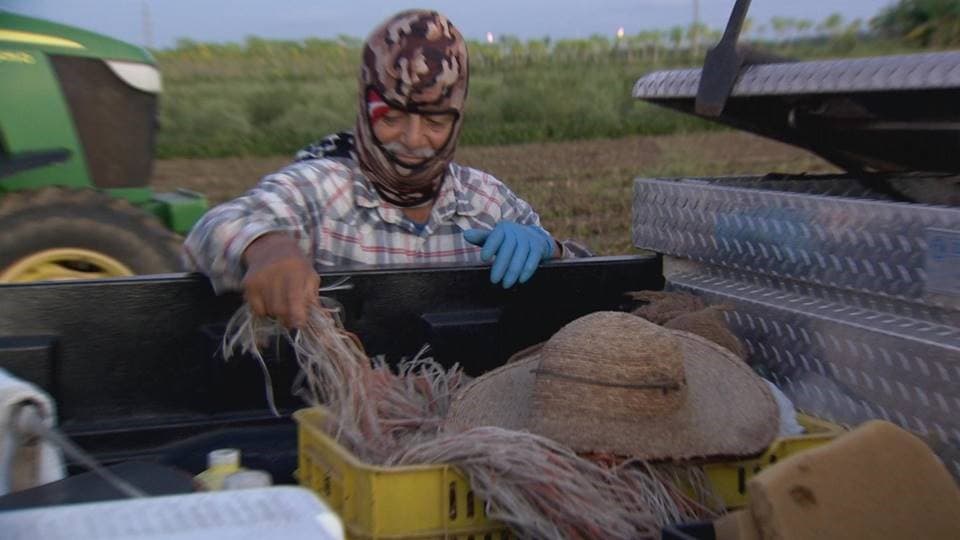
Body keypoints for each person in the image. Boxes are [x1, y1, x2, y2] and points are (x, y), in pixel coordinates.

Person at [183, 9, 588, 329]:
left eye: (434, 122)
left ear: (457, 120)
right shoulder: (319, 189)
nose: (412, 140)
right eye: (391, 117)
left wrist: (548, 248)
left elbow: (582, 273)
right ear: (364, 109)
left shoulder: (486, 200)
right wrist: (269, 248)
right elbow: (217, 225)